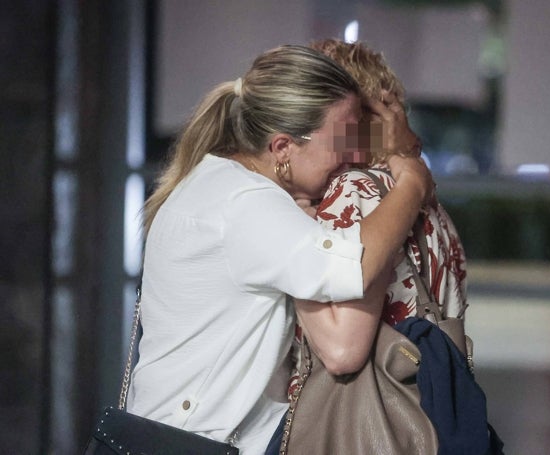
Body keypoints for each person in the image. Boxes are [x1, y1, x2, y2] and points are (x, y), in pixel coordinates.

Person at [126, 44, 432, 455]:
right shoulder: (246, 204)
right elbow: (354, 266)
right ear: (283, 147)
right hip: (200, 440)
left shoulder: (219, 183)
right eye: (339, 139)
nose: (350, 154)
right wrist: (410, 178)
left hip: (185, 431)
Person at [286, 39, 469, 400]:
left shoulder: (352, 191)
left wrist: (290, 241)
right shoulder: (427, 201)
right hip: (428, 416)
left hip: (353, 423)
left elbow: (341, 351)